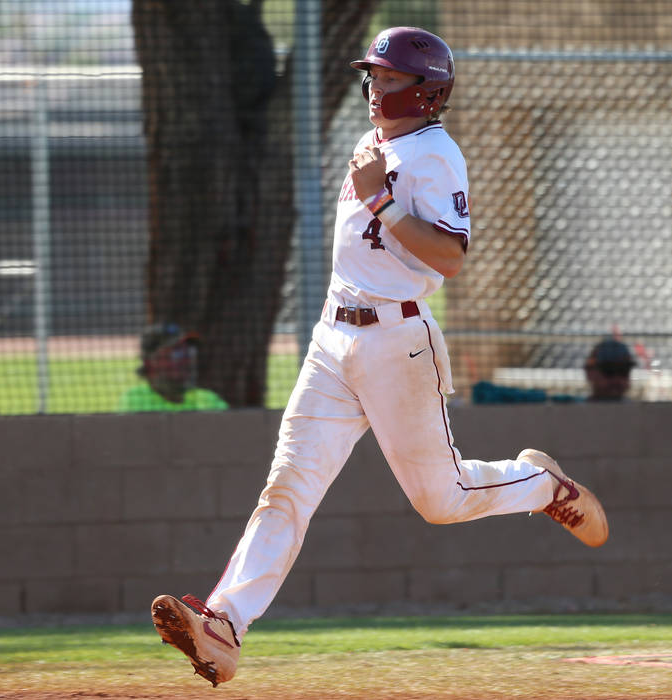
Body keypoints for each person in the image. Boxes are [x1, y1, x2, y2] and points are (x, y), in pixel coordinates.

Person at [149, 27, 608, 686]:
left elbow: (451, 256)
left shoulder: (435, 153)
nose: (375, 87)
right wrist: (378, 197)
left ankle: (541, 485)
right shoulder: (373, 143)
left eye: (390, 78)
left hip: (398, 341)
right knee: (287, 489)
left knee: (440, 501)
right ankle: (223, 626)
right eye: (374, 75)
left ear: (427, 92)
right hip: (333, 339)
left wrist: (385, 203)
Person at [117, 323, 228, 412]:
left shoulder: (208, 401)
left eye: (188, 352)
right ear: (150, 362)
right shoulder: (136, 401)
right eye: (177, 353)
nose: (186, 360)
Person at [584, 337, 636, 401]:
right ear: (589, 372)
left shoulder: (635, 409)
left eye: (624, 371)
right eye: (609, 371)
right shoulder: (574, 408)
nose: (617, 380)